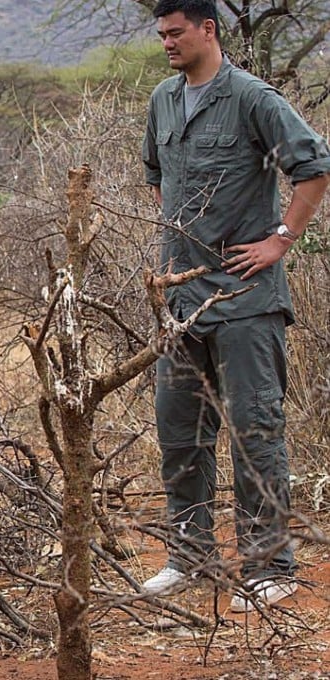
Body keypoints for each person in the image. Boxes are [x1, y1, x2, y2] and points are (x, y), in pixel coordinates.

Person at [141, 0, 330, 610]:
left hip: (247, 298)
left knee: (256, 431)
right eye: (162, 34)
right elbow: (157, 176)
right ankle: (189, 556)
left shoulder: (253, 98)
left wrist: (282, 239)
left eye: (177, 32)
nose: (168, 42)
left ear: (208, 30)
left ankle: (268, 565)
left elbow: (314, 166)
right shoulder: (164, 100)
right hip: (181, 300)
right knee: (180, 432)